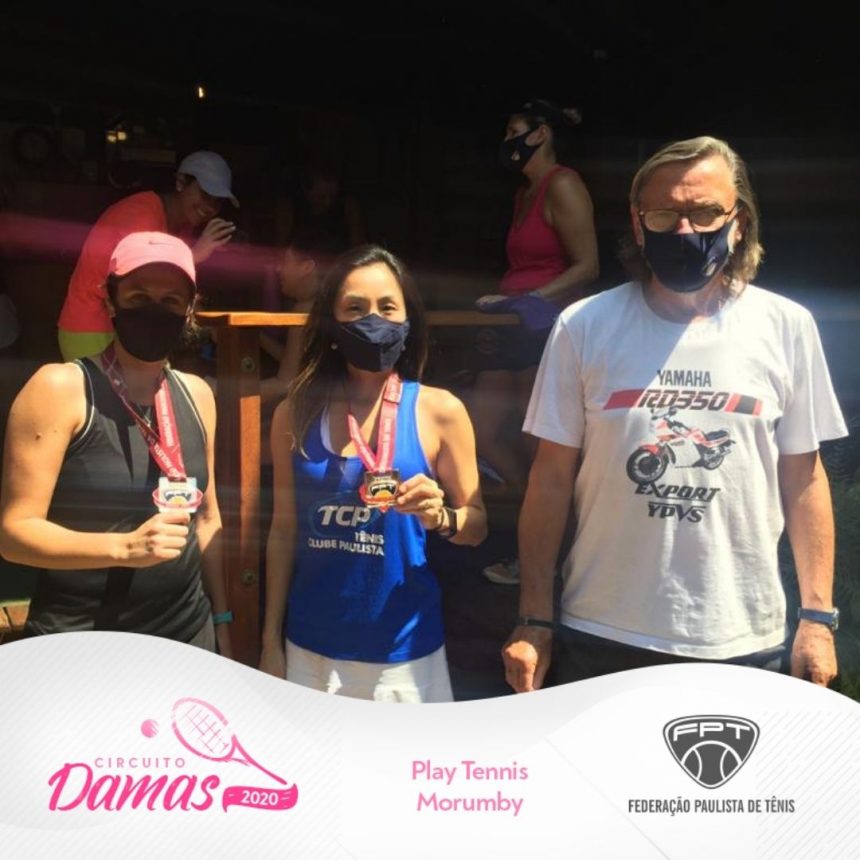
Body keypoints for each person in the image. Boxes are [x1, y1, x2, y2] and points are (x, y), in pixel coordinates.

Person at [502, 136, 847, 692]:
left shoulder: (786, 327)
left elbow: (804, 478)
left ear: (739, 223)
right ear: (638, 227)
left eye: (705, 212)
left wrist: (817, 619)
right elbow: (550, 479)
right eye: (664, 215)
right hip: (599, 630)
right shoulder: (584, 326)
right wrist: (534, 617)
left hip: (740, 635)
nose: (685, 230)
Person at [260, 244, 487, 701]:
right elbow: (283, 531)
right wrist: (270, 640)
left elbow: (477, 526)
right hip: (310, 650)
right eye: (355, 308)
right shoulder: (294, 414)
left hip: (403, 657)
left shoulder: (440, 411)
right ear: (331, 325)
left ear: (408, 321)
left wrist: (441, 517)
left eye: (387, 307)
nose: (373, 320)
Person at [0, 232, 232, 654]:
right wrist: (124, 548)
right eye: (138, 296)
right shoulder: (60, 388)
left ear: (189, 310)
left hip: (186, 640)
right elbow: (14, 535)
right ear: (110, 301)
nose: (154, 310)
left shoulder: (198, 394)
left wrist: (223, 622)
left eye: (171, 300)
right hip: (81, 644)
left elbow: (206, 519)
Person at [471, 98, 599, 585]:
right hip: (511, 326)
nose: (507, 142)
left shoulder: (562, 183)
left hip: (545, 326)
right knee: (482, 429)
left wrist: (530, 300)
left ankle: (547, 555)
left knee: (539, 443)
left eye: (514, 131)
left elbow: (587, 265)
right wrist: (510, 305)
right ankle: (539, 527)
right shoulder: (523, 194)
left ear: (540, 134)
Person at [57, 151, 239, 361]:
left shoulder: (180, 225)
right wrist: (197, 253)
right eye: (205, 195)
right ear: (180, 183)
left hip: (130, 327)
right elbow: (151, 279)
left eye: (217, 202)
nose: (209, 207)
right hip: (92, 327)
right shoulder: (142, 213)